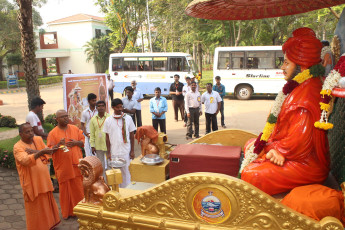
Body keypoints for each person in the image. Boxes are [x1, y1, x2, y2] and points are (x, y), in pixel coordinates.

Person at [241, 27, 330, 195]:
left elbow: (298, 144)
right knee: (250, 145)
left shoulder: (307, 96)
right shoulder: (299, 86)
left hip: (303, 163)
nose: (282, 67)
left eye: (287, 63)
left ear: (302, 67)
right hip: (287, 151)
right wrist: (268, 146)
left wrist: (273, 150)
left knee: (250, 175)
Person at [13, 123, 60, 230]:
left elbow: (49, 153)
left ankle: (50, 224)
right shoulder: (18, 147)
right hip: (32, 183)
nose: (31, 134)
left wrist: (37, 152)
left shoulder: (37, 140)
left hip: (44, 180)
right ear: (20, 134)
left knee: (47, 204)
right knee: (36, 207)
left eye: (31, 131)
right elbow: (25, 160)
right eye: (27, 132)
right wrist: (41, 152)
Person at [47, 110, 85, 219]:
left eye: (66, 116)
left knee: (78, 189)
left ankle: (80, 210)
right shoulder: (53, 133)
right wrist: (59, 144)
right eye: (63, 117)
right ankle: (67, 212)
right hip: (63, 167)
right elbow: (50, 150)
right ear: (57, 119)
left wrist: (76, 143)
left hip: (76, 165)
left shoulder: (74, 128)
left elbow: (83, 142)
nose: (66, 118)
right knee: (65, 191)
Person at [103, 99, 136, 188]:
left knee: (126, 173)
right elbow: (107, 138)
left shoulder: (128, 118)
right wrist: (108, 153)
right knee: (116, 174)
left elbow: (132, 135)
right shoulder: (108, 120)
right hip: (114, 152)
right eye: (117, 107)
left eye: (121, 106)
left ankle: (127, 191)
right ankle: (118, 192)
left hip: (126, 151)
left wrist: (132, 151)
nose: (120, 109)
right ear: (113, 107)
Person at [89, 100, 110, 180]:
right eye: (99, 106)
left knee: (110, 164)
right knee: (101, 165)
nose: (101, 108)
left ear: (105, 107)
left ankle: (110, 181)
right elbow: (92, 133)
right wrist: (92, 145)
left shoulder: (109, 117)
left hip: (108, 145)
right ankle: (103, 181)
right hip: (98, 145)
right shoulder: (93, 119)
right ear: (96, 108)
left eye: (102, 106)